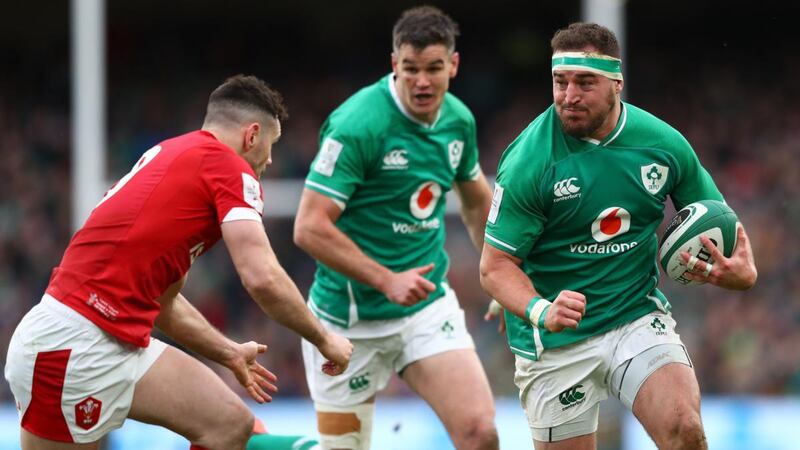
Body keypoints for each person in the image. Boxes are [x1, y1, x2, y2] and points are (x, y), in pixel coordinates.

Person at [4, 74, 353, 450]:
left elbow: (163, 304)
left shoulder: (172, 155)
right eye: (271, 146)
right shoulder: (229, 167)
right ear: (252, 135)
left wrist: (228, 352)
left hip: (108, 339)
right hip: (74, 345)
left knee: (229, 426)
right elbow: (261, 277)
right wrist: (324, 338)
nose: (269, 160)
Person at [479, 23, 757, 450]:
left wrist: (741, 269)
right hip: (555, 341)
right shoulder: (528, 161)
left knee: (685, 429)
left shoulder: (663, 144)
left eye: (584, 83)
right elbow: (495, 267)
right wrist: (539, 309)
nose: (569, 96)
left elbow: (721, 222)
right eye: (560, 82)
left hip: (634, 317)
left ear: (616, 83)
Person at [293, 6, 498, 450]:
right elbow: (308, 227)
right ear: (394, 65)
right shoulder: (357, 125)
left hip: (425, 309)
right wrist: (386, 279)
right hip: (346, 322)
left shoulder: (458, 120)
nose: (422, 82)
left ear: (454, 65)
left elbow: (476, 198)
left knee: (480, 434)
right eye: (410, 70)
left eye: (433, 69)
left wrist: (498, 278)